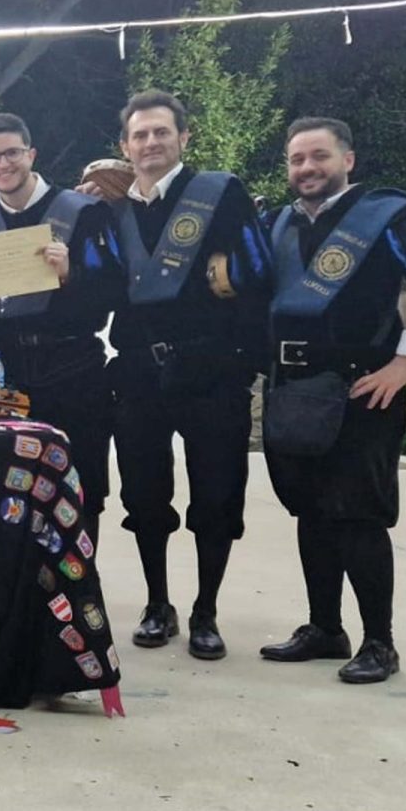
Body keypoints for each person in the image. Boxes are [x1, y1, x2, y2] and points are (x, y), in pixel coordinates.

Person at [257, 117, 406, 683]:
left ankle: (380, 643)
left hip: (362, 391)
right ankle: (325, 629)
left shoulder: (386, 218)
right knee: (310, 512)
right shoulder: (276, 223)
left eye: (319, 156)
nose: (307, 168)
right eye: (297, 159)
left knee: (357, 516)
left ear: (348, 160)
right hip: (291, 390)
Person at [102, 89, 272, 662]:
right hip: (138, 372)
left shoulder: (219, 194)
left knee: (217, 495)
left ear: (184, 137)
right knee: (144, 495)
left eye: (161, 132)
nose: (151, 142)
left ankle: (206, 611)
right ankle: (158, 604)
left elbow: (258, 268)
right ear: (125, 145)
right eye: (140, 134)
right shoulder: (113, 208)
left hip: (212, 370)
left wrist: (243, 358)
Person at [0, 112, 125, 535]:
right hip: (8, 373)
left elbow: (114, 290)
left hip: (74, 366)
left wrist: (71, 275)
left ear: (31, 154)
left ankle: (82, 574)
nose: (3, 164)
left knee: (81, 489)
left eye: (12, 153)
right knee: (11, 491)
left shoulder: (85, 212)